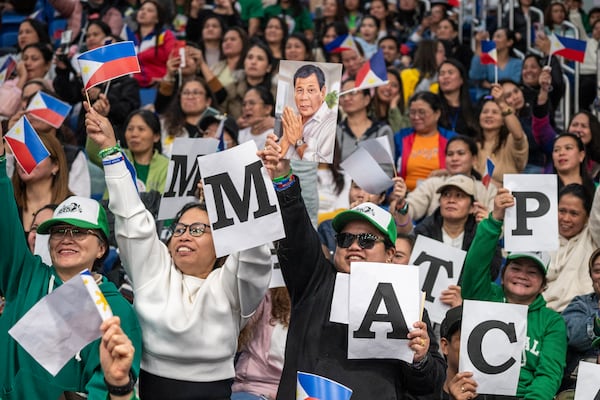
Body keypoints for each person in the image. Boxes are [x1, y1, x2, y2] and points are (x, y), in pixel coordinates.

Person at [85, 103, 272, 399]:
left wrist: (244, 188)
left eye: (198, 230)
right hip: (150, 389)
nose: (184, 236)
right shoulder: (154, 272)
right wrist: (110, 150)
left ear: (222, 242)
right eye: (180, 229)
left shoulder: (231, 285)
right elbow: (133, 218)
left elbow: (254, 252)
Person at [259, 134, 446, 400]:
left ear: (391, 254)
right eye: (346, 238)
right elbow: (297, 230)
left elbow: (429, 386)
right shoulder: (315, 281)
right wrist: (283, 180)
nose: (355, 245)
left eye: (368, 240)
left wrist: (421, 358)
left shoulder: (410, 305)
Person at [0, 132, 142, 397]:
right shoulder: (25, 276)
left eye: (79, 232)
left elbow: (110, 388)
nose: (67, 239)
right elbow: (3, 223)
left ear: (102, 248)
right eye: (59, 231)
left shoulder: (118, 309)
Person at [462, 188, 567, 399]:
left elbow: (548, 375)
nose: (522, 276)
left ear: (543, 285)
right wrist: (494, 221)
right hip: (474, 393)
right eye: (516, 268)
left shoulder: (552, 322)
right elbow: (474, 267)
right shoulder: (484, 295)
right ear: (503, 272)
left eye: (532, 272)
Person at [414, 174, 502, 280]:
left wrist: (486, 233)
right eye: (446, 194)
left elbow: (492, 272)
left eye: (459, 195)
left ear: (472, 208)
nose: (451, 200)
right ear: (439, 202)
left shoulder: (479, 233)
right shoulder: (424, 231)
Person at [406, 135, 496, 223]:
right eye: (450, 154)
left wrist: (490, 223)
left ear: (474, 159)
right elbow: (411, 208)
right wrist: (402, 207)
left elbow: (500, 228)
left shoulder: (488, 189)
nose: (454, 158)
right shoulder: (432, 184)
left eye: (461, 153)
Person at [231, 287, 291, 400]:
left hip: (294, 390)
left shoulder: (319, 300)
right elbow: (235, 333)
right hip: (254, 388)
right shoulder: (267, 295)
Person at [395, 91, 456, 191]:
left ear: (437, 114)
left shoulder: (451, 139)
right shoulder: (401, 137)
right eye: (412, 112)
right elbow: (390, 171)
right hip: (405, 194)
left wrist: (446, 172)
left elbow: (462, 170)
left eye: (421, 112)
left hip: (439, 194)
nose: (416, 117)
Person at [560, 248, 600, 392]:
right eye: (598, 271)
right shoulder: (581, 304)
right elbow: (572, 334)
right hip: (580, 386)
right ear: (591, 277)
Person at [474, 84, 528, 187]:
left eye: (495, 112)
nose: (489, 115)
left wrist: (502, 104)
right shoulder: (473, 144)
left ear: (504, 120)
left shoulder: (511, 141)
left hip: (507, 197)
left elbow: (518, 135)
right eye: (485, 112)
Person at [281, 64, 337, 163]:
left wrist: (298, 142)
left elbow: (324, 168)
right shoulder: (293, 120)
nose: (303, 97)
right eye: (299, 90)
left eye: (311, 90)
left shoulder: (332, 124)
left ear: (322, 93)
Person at [123, 109, 169, 194]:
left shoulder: (167, 166)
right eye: (130, 129)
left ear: (156, 136)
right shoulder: (117, 157)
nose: (134, 134)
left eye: (141, 129)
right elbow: (95, 152)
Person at [469, 28, 522, 101]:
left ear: (509, 42)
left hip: (509, 98)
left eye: (498, 37)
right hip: (487, 97)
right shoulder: (487, 59)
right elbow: (475, 76)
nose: (494, 40)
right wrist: (480, 45)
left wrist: (489, 85)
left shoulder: (518, 63)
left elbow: (515, 82)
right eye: (493, 37)